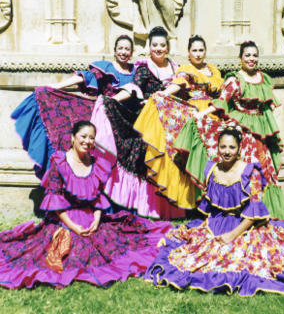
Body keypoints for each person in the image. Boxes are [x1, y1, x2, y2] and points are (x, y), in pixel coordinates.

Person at [146, 126, 284, 295]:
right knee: (198, 255)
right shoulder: (211, 169)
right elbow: (211, 208)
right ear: (217, 147)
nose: (227, 151)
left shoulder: (250, 172)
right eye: (223, 147)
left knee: (246, 258)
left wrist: (233, 234)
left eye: (231, 147)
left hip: (246, 226)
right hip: (217, 224)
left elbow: (254, 214)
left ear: (239, 149)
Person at [0, 121, 172, 289]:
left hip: (91, 219)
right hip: (65, 221)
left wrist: (96, 221)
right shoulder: (59, 162)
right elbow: (56, 202)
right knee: (71, 253)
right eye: (83, 136)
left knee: (113, 245)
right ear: (73, 137)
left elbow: (98, 199)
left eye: (91, 138)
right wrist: (74, 227)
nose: (87, 141)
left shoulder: (97, 164)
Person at [175, 40, 284, 219]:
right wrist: (201, 115)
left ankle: (263, 212)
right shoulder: (235, 80)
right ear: (240, 58)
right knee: (244, 169)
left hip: (261, 131)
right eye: (247, 55)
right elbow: (221, 101)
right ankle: (238, 212)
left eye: (254, 55)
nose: (251, 59)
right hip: (242, 130)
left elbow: (269, 102)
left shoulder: (263, 78)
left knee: (265, 169)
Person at [11, 35, 136, 178]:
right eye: (120, 48)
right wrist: (57, 86)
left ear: (131, 53)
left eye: (127, 49)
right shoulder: (107, 67)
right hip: (104, 116)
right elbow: (85, 77)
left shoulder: (135, 72)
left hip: (125, 122)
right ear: (115, 51)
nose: (123, 52)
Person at [102, 26, 184, 219]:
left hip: (173, 118)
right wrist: (113, 100)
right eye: (154, 45)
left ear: (168, 47)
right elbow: (134, 88)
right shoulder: (144, 68)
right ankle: (150, 207)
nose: (158, 48)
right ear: (149, 47)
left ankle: (173, 205)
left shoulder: (176, 68)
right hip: (150, 116)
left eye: (162, 45)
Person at [134, 35, 223, 209]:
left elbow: (220, 94)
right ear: (188, 53)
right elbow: (178, 84)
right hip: (194, 114)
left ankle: (215, 200)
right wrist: (163, 95)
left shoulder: (214, 70)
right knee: (196, 156)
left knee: (215, 156)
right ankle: (196, 203)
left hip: (213, 112)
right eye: (194, 51)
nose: (198, 54)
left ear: (205, 52)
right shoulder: (186, 68)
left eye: (201, 50)